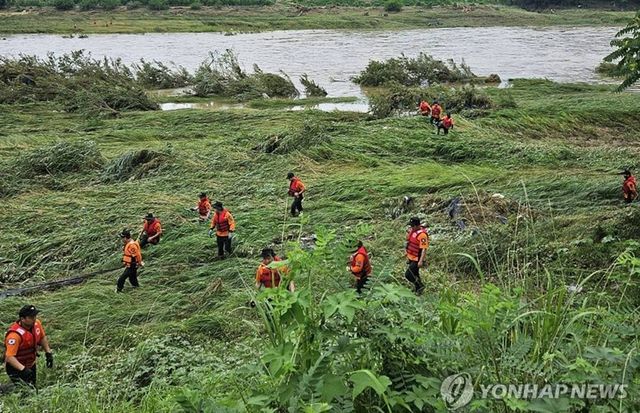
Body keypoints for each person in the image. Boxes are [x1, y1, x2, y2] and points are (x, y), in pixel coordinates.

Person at [4, 305, 53, 388]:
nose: (34, 318)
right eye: (31, 317)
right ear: (22, 319)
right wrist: (23, 369)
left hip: (30, 363)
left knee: (32, 387)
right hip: (16, 367)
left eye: (35, 316)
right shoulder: (14, 336)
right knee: (23, 390)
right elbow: (10, 357)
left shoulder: (37, 324)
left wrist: (48, 353)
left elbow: (42, 337)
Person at [405, 217, 429, 294]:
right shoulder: (413, 231)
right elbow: (408, 240)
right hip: (411, 257)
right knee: (415, 273)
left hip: (417, 258)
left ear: (416, 225)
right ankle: (418, 288)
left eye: (412, 226)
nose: (411, 227)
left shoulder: (422, 235)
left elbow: (424, 249)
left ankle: (419, 286)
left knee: (408, 274)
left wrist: (421, 261)